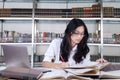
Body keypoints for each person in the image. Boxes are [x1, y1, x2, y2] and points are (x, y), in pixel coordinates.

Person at [42, 18, 107, 69]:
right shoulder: (56, 43)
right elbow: (45, 63)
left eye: (82, 34)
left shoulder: (84, 47)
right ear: (69, 32)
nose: (79, 37)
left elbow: (86, 65)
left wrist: (97, 64)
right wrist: (57, 65)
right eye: (76, 33)